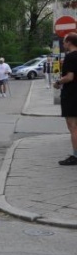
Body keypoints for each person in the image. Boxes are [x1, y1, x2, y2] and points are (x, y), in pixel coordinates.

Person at [54, 32, 77, 165]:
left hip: (72, 94)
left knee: (72, 126)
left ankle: (75, 156)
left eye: (64, 42)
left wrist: (58, 83)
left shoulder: (70, 57)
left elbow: (69, 77)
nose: (63, 44)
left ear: (69, 42)